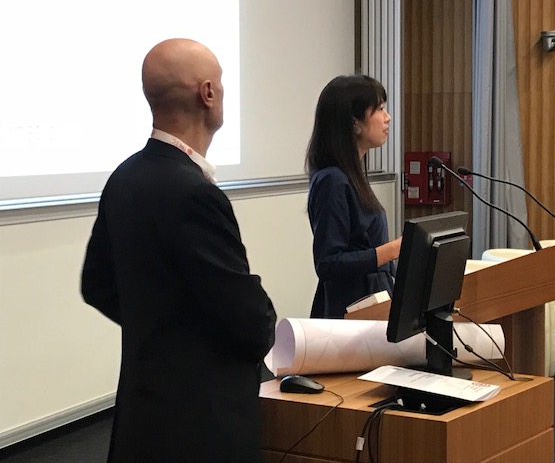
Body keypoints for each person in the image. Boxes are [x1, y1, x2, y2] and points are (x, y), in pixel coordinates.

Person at [81, 38, 276, 463]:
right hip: (201, 423)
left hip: (142, 414)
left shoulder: (124, 177)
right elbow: (249, 320)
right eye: (221, 82)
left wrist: (161, 328)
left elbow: (96, 284)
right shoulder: (196, 194)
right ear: (207, 93)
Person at [305, 74, 402, 319]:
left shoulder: (352, 174)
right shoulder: (332, 180)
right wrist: (391, 250)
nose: (387, 117)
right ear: (354, 122)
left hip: (374, 301)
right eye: (379, 109)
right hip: (351, 312)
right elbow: (328, 263)